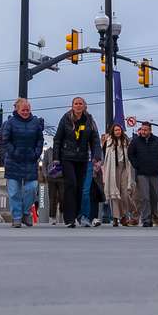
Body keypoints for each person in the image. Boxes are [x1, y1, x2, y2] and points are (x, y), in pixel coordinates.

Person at [52, 97, 102, 228]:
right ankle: (69, 218)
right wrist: (56, 158)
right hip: (67, 157)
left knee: (80, 188)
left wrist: (96, 156)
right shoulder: (66, 119)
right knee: (71, 185)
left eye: (80, 104)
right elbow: (57, 139)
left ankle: (79, 215)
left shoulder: (89, 120)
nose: (78, 106)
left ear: (84, 106)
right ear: (72, 106)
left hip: (82, 158)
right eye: (76, 104)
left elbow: (95, 139)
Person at [0, 98, 45, 228]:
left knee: (32, 188)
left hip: (30, 161)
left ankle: (26, 212)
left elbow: (40, 140)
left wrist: (36, 153)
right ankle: (17, 217)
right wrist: (13, 152)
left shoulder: (35, 122)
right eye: (23, 110)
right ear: (17, 109)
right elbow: (5, 140)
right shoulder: (10, 123)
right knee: (14, 191)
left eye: (27, 110)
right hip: (13, 161)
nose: (25, 112)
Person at [128, 121, 158, 227]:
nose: (143, 131)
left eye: (145, 130)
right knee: (145, 197)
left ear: (150, 130)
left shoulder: (157, 141)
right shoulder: (135, 141)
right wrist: (136, 165)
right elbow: (130, 154)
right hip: (142, 173)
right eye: (142, 129)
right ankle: (146, 219)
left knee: (155, 196)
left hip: (155, 173)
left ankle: (155, 218)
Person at [102, 123, 136, 226]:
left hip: (124, 167)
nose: (118, 132)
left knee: (125, 193)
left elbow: (130, 155)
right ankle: (117, 217)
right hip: (113, 168)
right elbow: (105, 156)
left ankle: (127, 214)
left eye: (119, 130)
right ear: (113, 131)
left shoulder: (126, 141)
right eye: (116, 130)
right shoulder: (109, 142)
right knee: (114, 193)